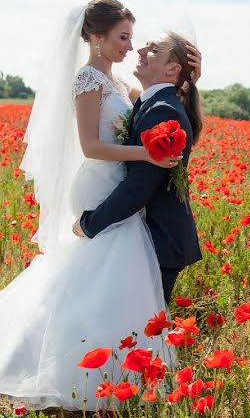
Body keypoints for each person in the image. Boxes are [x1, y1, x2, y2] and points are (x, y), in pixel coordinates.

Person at [0, 0, 201, 412]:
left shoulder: (119, 84)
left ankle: (113, 362)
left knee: (104, 277)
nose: (131, 47)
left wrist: (190, 75)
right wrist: (146, 154)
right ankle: (83, 365)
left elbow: (160, 96)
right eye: (123, 37)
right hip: (101, 185)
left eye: (133, 38)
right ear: (96, 36)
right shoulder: (88, 80)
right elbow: (91, 146)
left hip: (121, 189)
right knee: (96, 272)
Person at [73, 29, 203, 306]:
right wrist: (190, 82)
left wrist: (89, 225)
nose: (139, 51)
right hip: (149, 235)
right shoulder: (152, 103)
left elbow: (139, 187)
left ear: (172, 68)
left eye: (153, 49)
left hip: (159, 239)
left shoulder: (162, 110)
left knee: (142, 330)